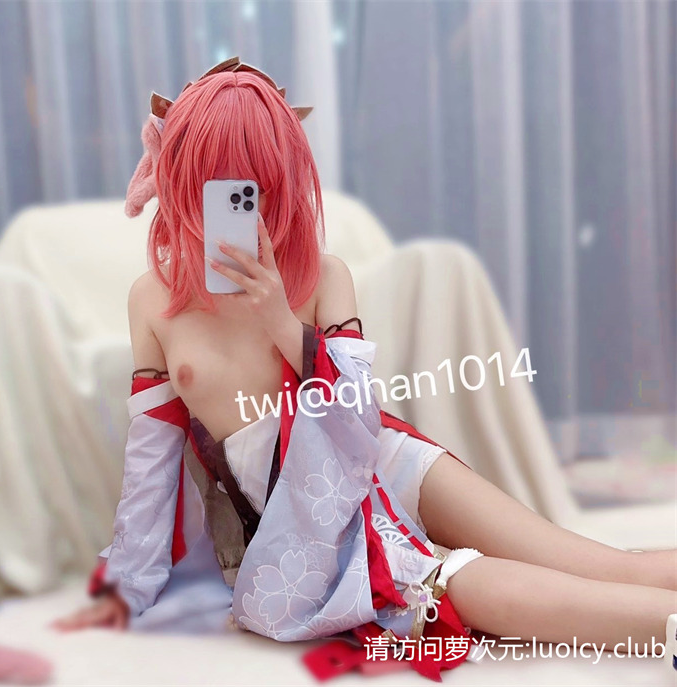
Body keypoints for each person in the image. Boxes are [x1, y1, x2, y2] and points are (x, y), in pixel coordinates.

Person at [53, 57, 677, 679]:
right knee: (471, 588)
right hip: (307, 504)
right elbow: (152, 462)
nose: (242, 200)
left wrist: (280, 321)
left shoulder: (323, 275)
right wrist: (125, 588)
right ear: (184, 174)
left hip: (380, 455)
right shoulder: (152, 299)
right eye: (219, 183)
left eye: (256, 181)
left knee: (599, 563)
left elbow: (354, 414)